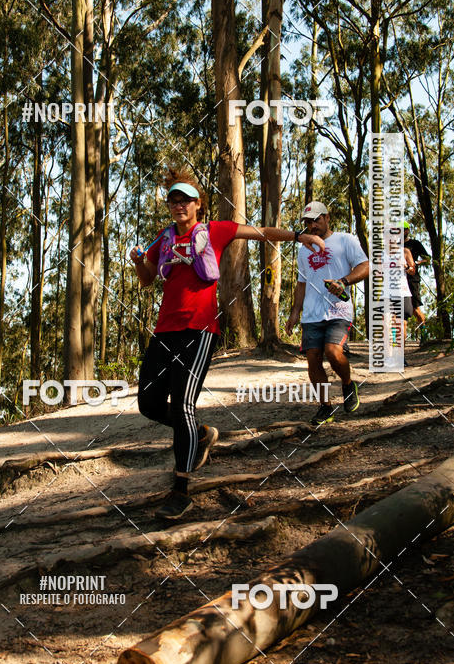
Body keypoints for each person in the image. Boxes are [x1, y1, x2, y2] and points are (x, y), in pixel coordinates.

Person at [130, 168, 325, 520]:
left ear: (198, 205)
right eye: (173, 200)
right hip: (164, 331)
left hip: (200, 330)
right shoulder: (163, 238)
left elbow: (261, 232)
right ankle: (202, 434)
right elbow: (147, 281)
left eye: (185, 200)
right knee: (148, 402)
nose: (178, 205)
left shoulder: (215, 230)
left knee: (183, 403)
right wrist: (139, 262)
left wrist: (299, 236)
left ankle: (181, 490)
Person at [285, 201, 369, 426]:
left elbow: (365, 266)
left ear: (327, 218)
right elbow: (301, 284)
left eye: (316, 220)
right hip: (311, 315)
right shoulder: (304, 250)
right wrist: (295, 313)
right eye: (308, 222)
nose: (312, 225)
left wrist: (344, 281)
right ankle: (325, 407)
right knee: (312, 359)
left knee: (333, 351)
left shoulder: (345, 240)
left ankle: (348, 384)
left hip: (338, 310)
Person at [403, 222, 431, 332]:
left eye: (404, 229)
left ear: (407, 230)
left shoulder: (415, 243)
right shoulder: (395, 245)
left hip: (412, 279)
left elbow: (427, 258)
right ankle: (395, 340)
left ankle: (424, 333)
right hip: (397, 280)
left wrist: (416, 263)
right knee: (395, 311)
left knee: (415, 308)